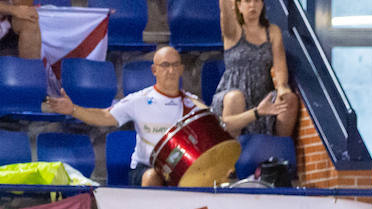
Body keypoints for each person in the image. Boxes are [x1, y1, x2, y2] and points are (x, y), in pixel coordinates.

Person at [46, 45, 286, 186]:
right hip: (146, 170)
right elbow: (105, 117)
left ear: (182, 69)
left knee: (220, 173)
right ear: (154, 70)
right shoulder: (139, 99)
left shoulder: (192, 103)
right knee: (152, 176)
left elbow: (223, 124)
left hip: (186, 170)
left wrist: (257, 112)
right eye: (164, 65)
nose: (171, 70)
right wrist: (73, 109)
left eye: (175, 65)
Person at [213, 0, 298, 138]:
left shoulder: (273, 31)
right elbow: (225, 12)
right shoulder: (233, 30)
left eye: (257, 1)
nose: (252, 5)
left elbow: (280, 67)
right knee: (235, 98)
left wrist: (282, 87)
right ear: (239, 6)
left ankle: (279, 153)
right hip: (231, 95)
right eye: (247, 1)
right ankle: (230, 153)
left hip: (262, 94)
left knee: (288, 99)